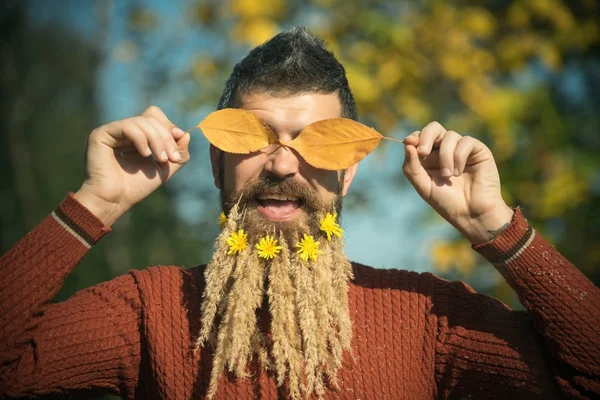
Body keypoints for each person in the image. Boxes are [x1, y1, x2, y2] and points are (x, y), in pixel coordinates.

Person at [1, 27, 598, 400]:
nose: (283, 166)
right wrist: (92, 206)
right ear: (216, 163)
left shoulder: (428, 317)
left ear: (351, 168)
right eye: (253, 139)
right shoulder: (145, 311)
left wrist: (498, 230)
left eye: (316, 142)